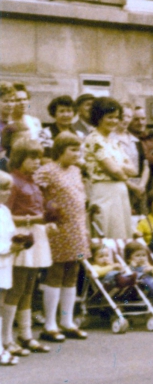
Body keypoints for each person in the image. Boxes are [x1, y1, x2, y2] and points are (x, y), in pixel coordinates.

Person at [35, 133, 90, 342]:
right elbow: (37, 194)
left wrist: (84, 227)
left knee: (73, 270)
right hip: (58, 227)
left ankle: (67, 321)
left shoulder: (76, 170)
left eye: (79, 150)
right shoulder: (47, 170)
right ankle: (50, 323)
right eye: (73, 150)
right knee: (56, 270)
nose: (77, 154)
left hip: (76, 227)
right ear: (60, 150)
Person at [3, 139, 52, 355]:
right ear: (20, 158)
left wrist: (46, 222)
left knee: (29, 289)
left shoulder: (33, 182)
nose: (36, 162)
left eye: (38, 157)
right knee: (17, 289)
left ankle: (26, 335)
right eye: (31, 157)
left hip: (37, 235)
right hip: (22, 237)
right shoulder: (12, 182)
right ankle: (7, 338)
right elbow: (6, 214)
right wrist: (35, 220)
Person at [82, 98, 134, 239]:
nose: (114, 121)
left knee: (123, 236)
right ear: (99, 118)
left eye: (117, 117)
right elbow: (114, 170)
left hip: (120, 192)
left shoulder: (114, 142)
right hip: (104, 192)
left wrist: (118, 166)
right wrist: (123, 172)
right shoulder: (94, 139)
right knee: (107, 235)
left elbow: (134, 170)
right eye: (109, 117)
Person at [0, 172, 28, 365]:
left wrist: (18, 243)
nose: (7, 192)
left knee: (1, 305)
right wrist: (8, 248)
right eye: (3, 189)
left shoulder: (4, 211)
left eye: (9, 188)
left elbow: (10, 235)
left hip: (4, 264)